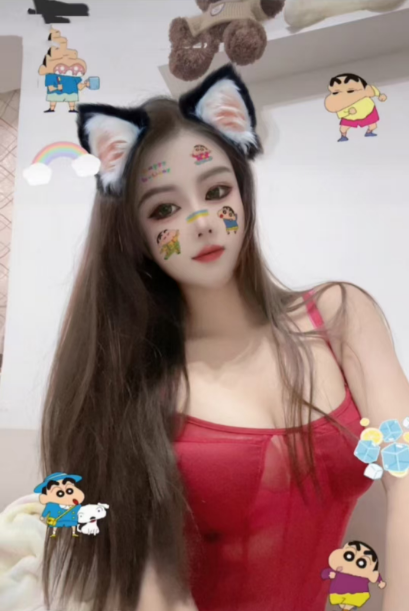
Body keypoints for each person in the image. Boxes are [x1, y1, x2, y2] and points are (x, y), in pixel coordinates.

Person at [39, 64, 409, 611]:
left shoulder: (339, 317)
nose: (202, 221)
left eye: (216, 191)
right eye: (164, 209)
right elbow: (151, 586)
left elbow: (405, 470)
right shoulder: (139, 383)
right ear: (136, 237)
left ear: (243, 192)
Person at [325, 73, 387, 142]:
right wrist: (348, 112)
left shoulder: (365, 91)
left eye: (350, 91)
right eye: (335, 92)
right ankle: (343, 136)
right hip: (350, 118)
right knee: (343, 129)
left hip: (368, 113)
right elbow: (340, 113)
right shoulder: (340, 102)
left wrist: (380, 95)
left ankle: (369, 132)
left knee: (373, 126)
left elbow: (373, 90)